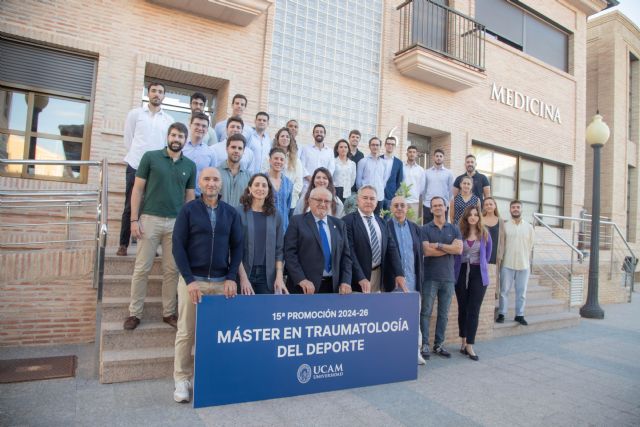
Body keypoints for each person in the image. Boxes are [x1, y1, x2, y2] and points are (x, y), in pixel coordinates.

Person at [171, 167, 243, 403]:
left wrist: (232, 277)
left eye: (215, 180)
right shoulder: (188, 210)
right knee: (186, 332)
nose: (211, 183)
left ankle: (211, 376)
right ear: (200, 183)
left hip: (222, 283)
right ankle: (182, 379)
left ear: (220, 184)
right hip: (194, 283)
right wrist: (189, 280)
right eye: (207, 179)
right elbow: (177, 247)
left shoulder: (230, 213)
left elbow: (238, 247)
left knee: (218, 334)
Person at [123, 122, 196, 331]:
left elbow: (190, 198)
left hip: (176, 224)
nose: (176, 139)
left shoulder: (189, 165)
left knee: (172, 270)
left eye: (181, 136)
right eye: (173, 135)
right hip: (149, 219)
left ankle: (168, 313)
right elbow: (137, 190)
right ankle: (134, 313)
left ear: (185, 140)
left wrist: (190, 227)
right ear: (168, 136)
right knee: (142, 268)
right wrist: (134, 220)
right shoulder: (150, 157)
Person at [118, 82, 174, 256]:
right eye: (154, 91)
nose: (157, 94)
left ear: (164, 96)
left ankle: (149, 246)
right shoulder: (135, 114)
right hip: (135, 165)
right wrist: (137, 157)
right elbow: (129, 139)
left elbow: (167, 145)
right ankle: (123, 244)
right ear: (148, 93)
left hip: (156, 170)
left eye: (160, 92)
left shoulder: (168, 120)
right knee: (130, 205)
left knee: (150, 209)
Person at [284, 187, 352, 294]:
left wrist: (346, 281)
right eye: (319, 200)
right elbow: (289, 254)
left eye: (327, 201)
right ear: (309, 201)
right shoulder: (297, 222)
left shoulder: (339, 224)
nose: (323, 204)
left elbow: (346, 257)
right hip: (304, 289)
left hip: (333, 288)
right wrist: (301, 279)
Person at [420, 196, 463, 360]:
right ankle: (424, 344)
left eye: (440, 205)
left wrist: (437, 245)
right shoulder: (425, 229)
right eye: (434, 206)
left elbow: (459, 250)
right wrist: (449, 248)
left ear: (446, 208)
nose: (438, 208)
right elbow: (426, 251)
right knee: (426, 312)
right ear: (431, 209)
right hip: (430, 277)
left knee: (443, 314)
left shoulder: (454, 228)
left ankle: (439, 345)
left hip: (448, 278)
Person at [343, 185, 405, 293]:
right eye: (365, 198)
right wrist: (360, 277)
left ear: (376, 202)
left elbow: (392, 249)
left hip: (378, 275)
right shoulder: (347, 222)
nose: (368, 201)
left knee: (376, 308)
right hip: (357, 279)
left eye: (372, 199)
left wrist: (399, 273)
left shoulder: (382, 222)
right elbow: (349, 253)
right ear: (358, 200)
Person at [236, 173, 288, 295]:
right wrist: (243, 278)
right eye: (257, 185)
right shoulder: (238, 213)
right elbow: (233, 248)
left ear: (269, 190)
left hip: (267, 276)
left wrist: (279, 277)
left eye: (264, 185)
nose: (260, 188)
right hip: (243, 273)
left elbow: (279, 249)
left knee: (264, 313)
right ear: (250, 188)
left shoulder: (276, 215)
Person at [387, 195, 425, 365]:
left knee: (414, 319)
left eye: (402, 205)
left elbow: (419, 256)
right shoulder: (385, 226)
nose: (399, 208)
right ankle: (395, 353)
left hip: (413, 281)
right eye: (396, 205)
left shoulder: (415, 228)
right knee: (393, 321)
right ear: (391, 208)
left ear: (407, 208)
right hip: (393, 283)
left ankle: (415, 352)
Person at [454, 206, 492, 361]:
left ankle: (470, 344)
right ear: (466, 217)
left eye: (476, 215)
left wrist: (479, 266)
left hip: (478, 274)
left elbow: (488, 255)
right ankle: (463, 340)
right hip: (461, 272)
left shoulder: (484, 234)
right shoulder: (459, 232)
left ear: (479, 217)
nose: (473, 217)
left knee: (474, 309)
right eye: (470, 214)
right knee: (462, 308)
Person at [497, 200, 535, 326]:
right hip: (507, 264)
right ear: (510, 210)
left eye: (518, 207)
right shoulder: (505, 226)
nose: (515, 209)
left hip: (524, 265)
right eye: (513, 207)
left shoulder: (529, 227)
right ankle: (502, 314)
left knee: (521, 292)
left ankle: (520, 315)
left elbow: (531, 245)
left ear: (521, 209)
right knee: (504, 291)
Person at [182, 112, 217, 197]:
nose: (200, 128)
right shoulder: (181, 148)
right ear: (190, 125)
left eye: (204, 126)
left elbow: (212, 177)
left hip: (200, 197)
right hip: (179, 194)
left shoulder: (211, 153)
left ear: (207, 129)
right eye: (197, 124)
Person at [271, 127, 303, 216]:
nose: (285, 138)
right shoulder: (268, 158)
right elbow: (265, 177)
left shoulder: (296, 160)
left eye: (287, 137)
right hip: (271, 201)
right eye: (282, 136)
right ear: (277, 139)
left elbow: (299, 183)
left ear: (290, 140)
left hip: (290, 202)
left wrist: (286, 195)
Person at [217, 133, 251, 206]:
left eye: (240, 148)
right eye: (233, 147)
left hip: (239, 217)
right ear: (227, 148)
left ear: (243, 151)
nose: (236, 151)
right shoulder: (216, 173)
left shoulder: (249, 177)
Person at [356, 137, 386, 215]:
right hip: (366, 198)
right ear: (369, 146)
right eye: (373, 145)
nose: (375, 147)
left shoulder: (383, 163)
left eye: (377, 145)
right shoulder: (363, 161)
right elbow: (358, 182)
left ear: (380, 147)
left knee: (377, 220)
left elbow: (384, 180)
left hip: (379, 197)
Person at [482, 197, 505, 297]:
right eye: (486, 204)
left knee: (493, 281)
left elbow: (503, 240)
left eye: (491, 204)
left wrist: (501, 254)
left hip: (495, 255)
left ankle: (492, 296)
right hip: (482, 255)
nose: (488, 206)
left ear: (495, 206)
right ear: (484, 206)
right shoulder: (480, 219)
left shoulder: (500, 221)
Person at [300, 124, 335, 190]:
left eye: (321, 132)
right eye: (317, 132)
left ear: (324, 134)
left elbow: (331, 168)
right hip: (308, 185)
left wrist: (322, 180)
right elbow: (302, 166)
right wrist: (312, 180)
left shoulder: (330, 151)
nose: (319, 133)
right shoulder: (305, 149)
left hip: (324, 186)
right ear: (313, 134)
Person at [423, 148, 453, 225]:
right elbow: (424, 189)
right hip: (428, 205)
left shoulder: (449, 173)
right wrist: (424, 201)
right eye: (437, 156)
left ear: (443, 158)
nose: (438, 158)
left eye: (440, 156)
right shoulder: (427, 172)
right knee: (427, 228)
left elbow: (451, 190)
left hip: (442, 206)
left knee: (442, 228)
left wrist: (446, 203)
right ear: (434, 157)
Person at [266, 148, 293, 231]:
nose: (279, 161)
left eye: (282, 159)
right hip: (265, 225)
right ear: (270, 160)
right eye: (276, 158)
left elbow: (288, 206)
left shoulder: (289, 183)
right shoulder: (262, 179)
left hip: (283, 227)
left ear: (284, 162)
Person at [402, 145, 426, 223]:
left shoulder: (421, 170)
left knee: (412, 224)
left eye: (414, 152)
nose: (412, 154)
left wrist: (415, 194)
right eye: (410, 152)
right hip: (402, 200)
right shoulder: (401, 166)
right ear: (407, 154)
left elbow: (422, 187)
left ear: (416, 154)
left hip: (414, 202)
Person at [382, 137, 403, 210]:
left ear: (395, 146)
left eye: (392, 144)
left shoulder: (399, 163)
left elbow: (399, 181)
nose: (390, 146)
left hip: (390, 195)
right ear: (385, 145)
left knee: (388, 218)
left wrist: (393, 191)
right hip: (378, 193)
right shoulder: (378, 159)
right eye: (388, 144)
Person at [347, 129, 364, 194]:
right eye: (353, 137)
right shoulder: (344, 152)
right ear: (349, 138)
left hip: (355, 188)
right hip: (344, 185)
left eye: (357, 137)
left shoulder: (361, 155)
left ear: (359, 139)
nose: (355, 139)